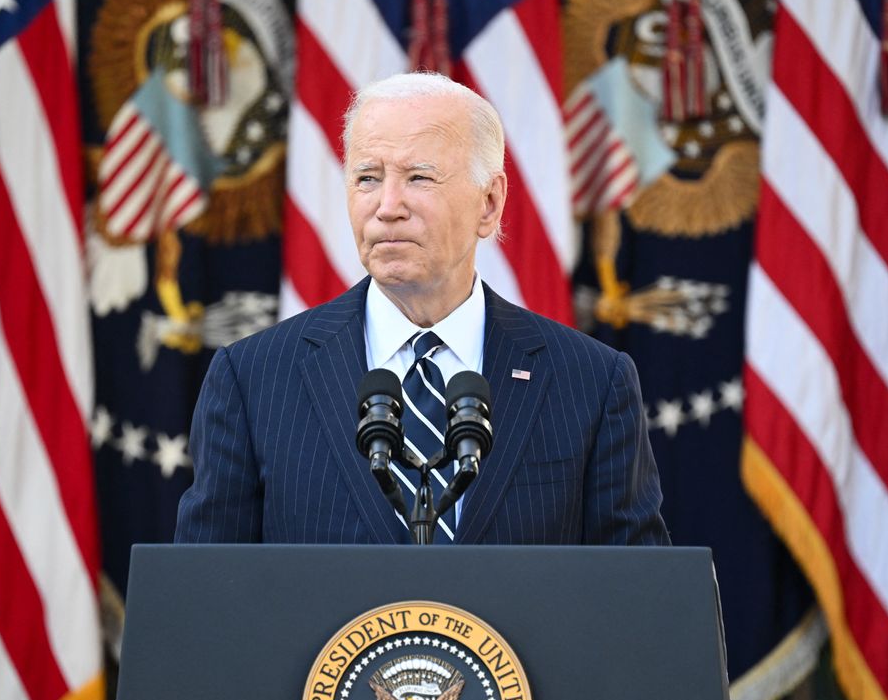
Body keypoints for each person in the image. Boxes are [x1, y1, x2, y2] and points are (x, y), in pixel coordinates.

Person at [175, 72, 668, 546]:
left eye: (419, 177)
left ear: (490, 204)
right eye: (367, 177)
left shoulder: (591, 383)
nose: (388, 205)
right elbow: (205, 597)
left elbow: (634, 601)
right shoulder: (253, 379)